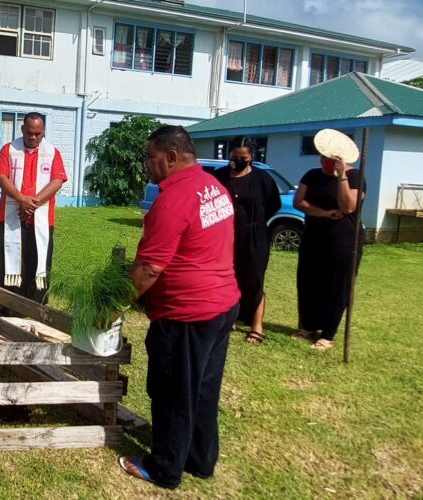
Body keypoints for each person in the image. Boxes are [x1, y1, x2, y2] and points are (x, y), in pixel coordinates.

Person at [119, 125, 240, 489]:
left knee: (173, 390)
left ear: (171, 158)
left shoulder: (172, 201)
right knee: (203, 387)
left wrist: (115, 304)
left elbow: (149, 268)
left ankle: (165, 467)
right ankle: (200, 459)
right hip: (222, 306)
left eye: (150, 158)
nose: (146, 165)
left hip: (187, 313)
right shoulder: (214, 188)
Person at [293, 128, 365, 351]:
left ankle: (328, 333)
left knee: (337, 286)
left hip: (342, 242)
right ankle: (308, 326)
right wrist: (324, 213)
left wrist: (341, 176)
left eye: (329, 160)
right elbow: (299, 202)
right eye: (322, 158)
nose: (324, 162)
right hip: (314, 238)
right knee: (309, 282)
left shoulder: (355, 177)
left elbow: (348, 206)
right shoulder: (312, 175)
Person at [0, 113, 67, 304]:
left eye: (38, 134)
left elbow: (57, 181)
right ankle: (8, 306)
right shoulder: (9, 150)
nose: (33, 137)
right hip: (12, 216)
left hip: (41, 218)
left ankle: (36, 306)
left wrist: (32, 204)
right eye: (30, 133)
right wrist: (21, 200)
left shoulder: (52, 152)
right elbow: (1, 177)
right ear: (22, 129)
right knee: (10, 260)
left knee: (38, 262)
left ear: (44, 132)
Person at [212, 137, 281, 344]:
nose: (238, 161)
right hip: (226, 234)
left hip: (254, 235)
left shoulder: (262, 179)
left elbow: (273, 205)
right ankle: (231, 318)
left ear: (252, 157)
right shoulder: (219, 177)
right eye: (234, 157)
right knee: (228, 277)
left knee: (254, 279)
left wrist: (254, 222)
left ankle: (256, 325)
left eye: (243, 157)